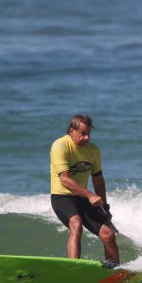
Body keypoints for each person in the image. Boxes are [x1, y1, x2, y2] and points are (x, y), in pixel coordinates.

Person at [50, 114, 120, 268]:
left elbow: (98, 179)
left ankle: (115, 271)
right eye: (82, 133)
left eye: (89, 133)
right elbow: (65, 179)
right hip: (62, 197)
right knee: (76, 223)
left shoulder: (93, 150)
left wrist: (105, 207)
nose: (87, 137)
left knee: (108, 234)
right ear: (71, 131)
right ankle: (74, 267)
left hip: (83, 198)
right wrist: (90, 195)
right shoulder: (60, 145)